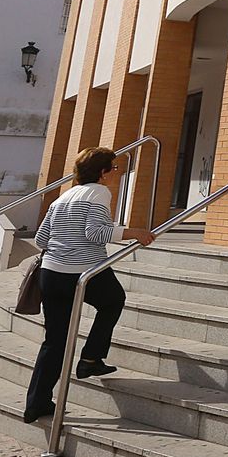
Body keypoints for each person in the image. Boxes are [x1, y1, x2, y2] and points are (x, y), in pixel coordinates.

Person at [22, 147, 155, 424]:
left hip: (52, 274)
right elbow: (95, 233)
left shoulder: (64, 196)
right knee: (113, 301)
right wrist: (135, 233)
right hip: (84, 272)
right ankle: (91, 359)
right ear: (103, 171)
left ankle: (36, 404)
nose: (116, 173)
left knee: (54, 341)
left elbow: (41, 239)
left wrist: (64, 247)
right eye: (114, 168)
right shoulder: (99, 193)